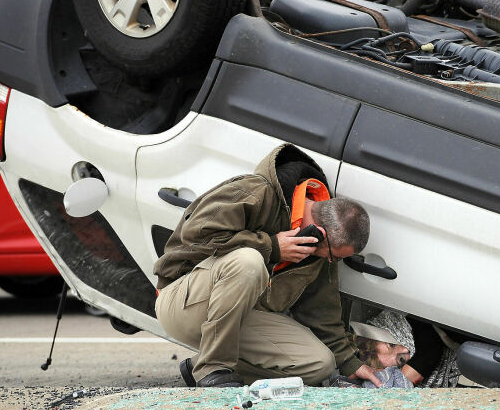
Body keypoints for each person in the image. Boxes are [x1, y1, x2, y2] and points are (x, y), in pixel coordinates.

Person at [153, 144, 382, 388]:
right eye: (334, 256)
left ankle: (198, 367)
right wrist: (271, 246)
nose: (330, 261)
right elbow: (195, 234)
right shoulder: (256, 192)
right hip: (183, 304)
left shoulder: (318, 249)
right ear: (322, 233)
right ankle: (213, 368)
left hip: (237, 319)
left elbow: (322, 314)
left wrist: (350, 364)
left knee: (320, 364)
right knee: (248, 262)